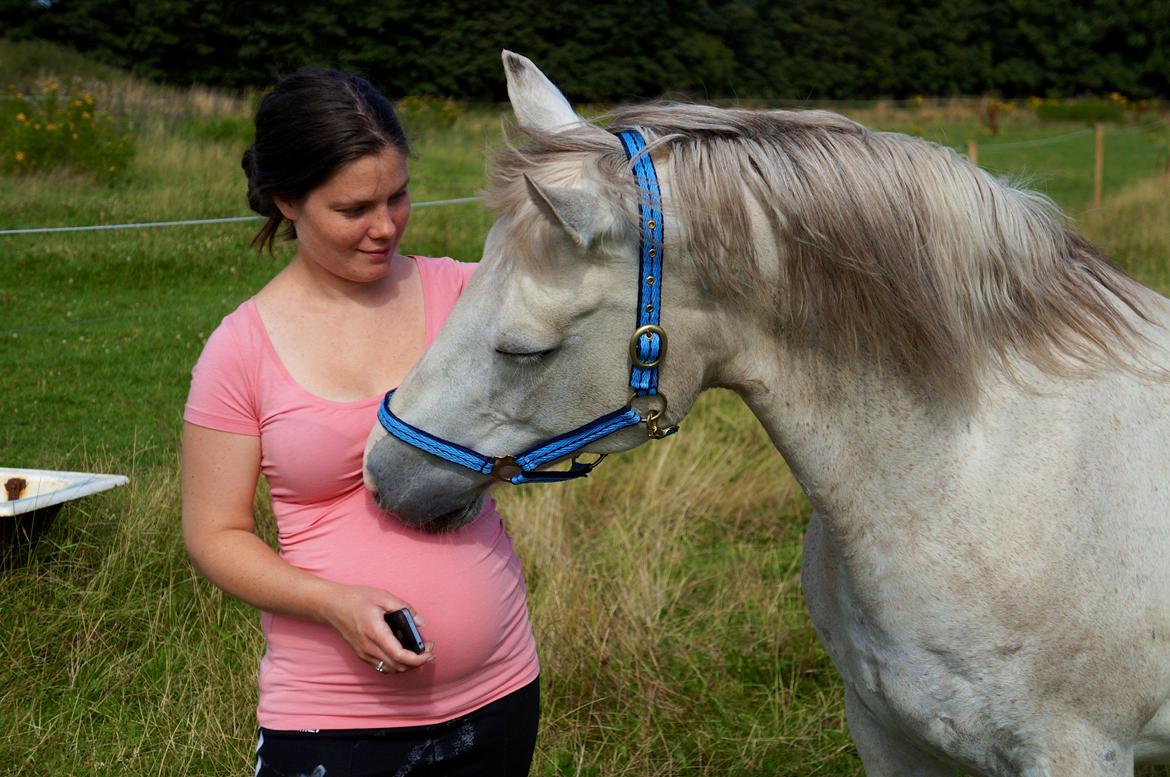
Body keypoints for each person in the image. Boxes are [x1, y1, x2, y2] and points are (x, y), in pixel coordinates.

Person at [181, 70, 540, 777]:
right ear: (288, 201)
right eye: (354, 207)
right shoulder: (240, 348)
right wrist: (332, 602)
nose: (386, 225)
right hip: (329, 722)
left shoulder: (467, 298)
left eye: (398, 196)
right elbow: (213, 534)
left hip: (501, 691)